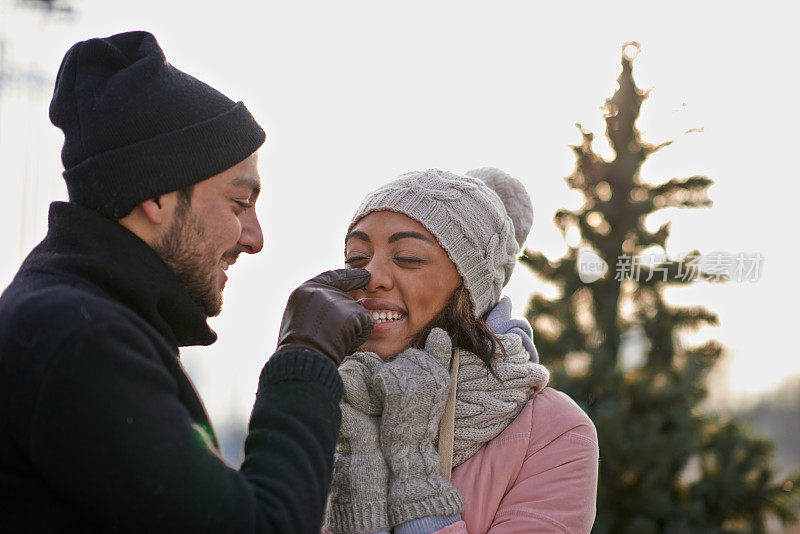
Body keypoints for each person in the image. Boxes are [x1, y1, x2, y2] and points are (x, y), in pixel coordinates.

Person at [0, 31, 373, 533]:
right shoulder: (79, 340)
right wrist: (305, 357)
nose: (255, 238)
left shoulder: (83, 317)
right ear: (155, 196)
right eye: (239, 204)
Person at [324, 168, 599, 533]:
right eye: (356, 258)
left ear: (472, 285)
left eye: (406, 257)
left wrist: (414, 474)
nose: (371, 276)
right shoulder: (321, 406)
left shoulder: (555, 432)